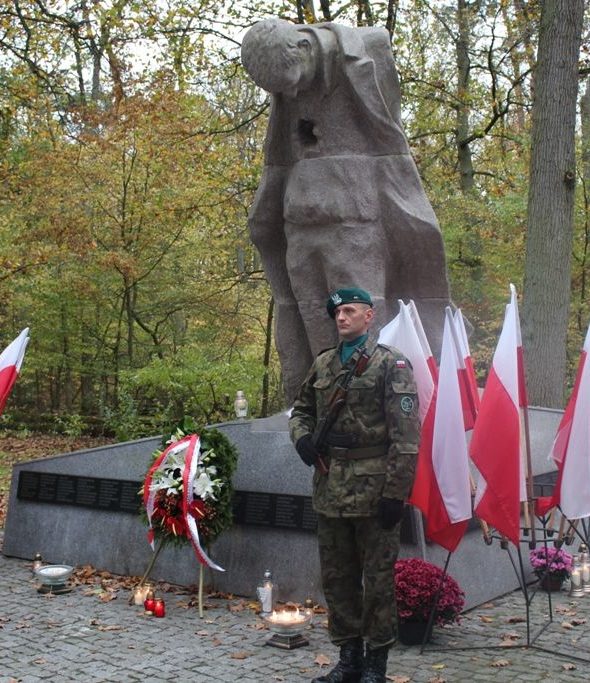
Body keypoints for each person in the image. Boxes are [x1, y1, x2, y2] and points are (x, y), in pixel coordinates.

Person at [241, 19, 450, 404]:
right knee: (314, 326)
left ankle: (370, 408)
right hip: (299, 227)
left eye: (291, 82)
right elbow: (279, 158)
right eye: (280, 90)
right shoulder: (285, 77)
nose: (290, 94)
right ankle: (324, 408)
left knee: (363, 320)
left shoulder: (365, 53)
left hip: (355, 222)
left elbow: (389, 136)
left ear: (303, 48)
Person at [289, 287, 420, 683]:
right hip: (330, 488)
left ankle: (375, 666)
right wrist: (302, 439)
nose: (341, 318)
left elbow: (406, 436)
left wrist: (396, 493)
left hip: (374, 490)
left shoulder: (391, 365)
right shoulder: (323, 363)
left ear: (368, 316)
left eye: (349, 311)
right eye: (337, 313)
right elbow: (301, 411)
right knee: (338, 579)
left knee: (378, 582)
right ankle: (349, 661)